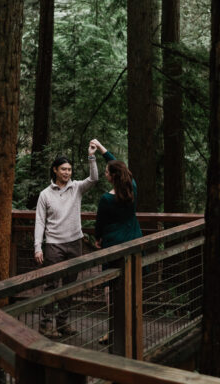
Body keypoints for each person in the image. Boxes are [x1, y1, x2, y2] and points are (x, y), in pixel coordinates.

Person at [34, 139, 107, 337]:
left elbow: (93, 179)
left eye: (69, 169)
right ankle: (45, 324)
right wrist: (37, 247)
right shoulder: (45, 195)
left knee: (70, 286)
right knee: (51, 285)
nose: (67, 172)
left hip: (75, 242)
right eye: (63, 169)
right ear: (55, 170)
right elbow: (40, 221)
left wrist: (92, 155)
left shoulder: (76, 188)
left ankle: (62, 323)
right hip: (53, 245)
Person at [91, 140, 141, 346]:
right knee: (131, 285)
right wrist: (103, 149)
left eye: (106, 172)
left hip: (112, 245)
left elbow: (100, 223)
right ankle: (132, 327)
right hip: (132, 242)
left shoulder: (106, 199)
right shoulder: (133, 189)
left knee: (110, 288)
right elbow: (123, 169)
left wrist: (97, 239)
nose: (104, 174)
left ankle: (114, 331)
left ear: (112, 177)